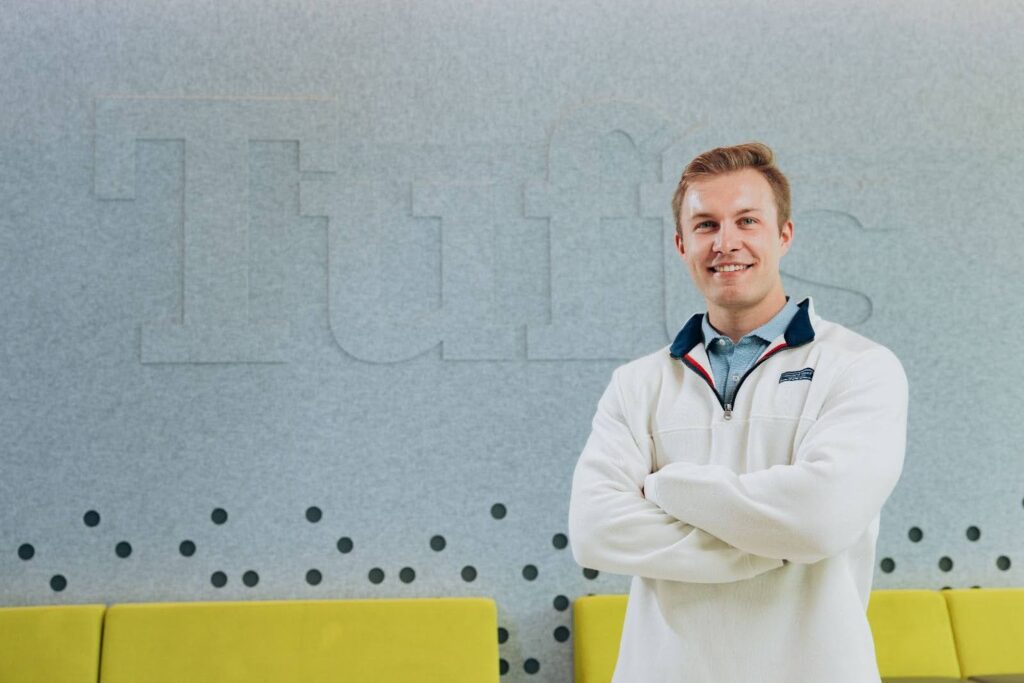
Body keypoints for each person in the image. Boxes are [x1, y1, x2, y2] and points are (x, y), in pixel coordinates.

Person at [567, 142, 909, 682]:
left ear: (783, 235)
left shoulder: (861, 368)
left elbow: (819, 519)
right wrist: (772, 547)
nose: (726, 242)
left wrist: (666, 487)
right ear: (681, 244)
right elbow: (595, 530)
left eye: (747, 220)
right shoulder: (637, 384)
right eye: (705, 225)